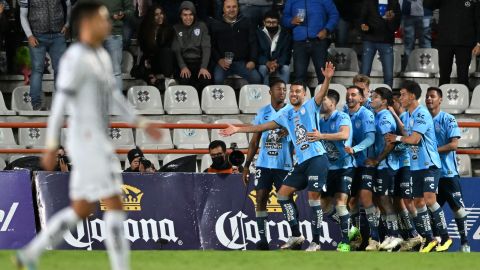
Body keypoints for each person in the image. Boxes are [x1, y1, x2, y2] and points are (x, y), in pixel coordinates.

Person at [13, 3, 162, 270]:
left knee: (82, 209)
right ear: (86, 24)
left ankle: (30, 254)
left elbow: (113, 98)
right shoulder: (75, 58)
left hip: (97, 141)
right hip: (86, 142)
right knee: (115, 203)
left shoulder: (101, 56)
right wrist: (50, 144)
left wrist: (139, 122)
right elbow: (60, 102)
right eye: (102, 20)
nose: (107, 25)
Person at [221, 62, 335, 252]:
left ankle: (315, 241)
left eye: (298, 91)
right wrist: (238, 129)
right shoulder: (285, 113)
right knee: (282, 195)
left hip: (316, 158)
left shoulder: (311, 106)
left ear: (304, 95)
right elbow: (261, 128)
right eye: (292, 92)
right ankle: (297, 235)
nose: (293, 94)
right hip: (301, 162)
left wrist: (328, 79)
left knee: (313, 199)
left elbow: (321, 93)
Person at [385, 80, 451, 252]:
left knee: (429, 200)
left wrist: (396, 138)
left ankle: (445, 237)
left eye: (403, 94)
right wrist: (395, 117)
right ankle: (429, 238)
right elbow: (406, 132)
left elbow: (413, 139)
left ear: (412, 96)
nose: (400, 98)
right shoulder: (407, 115)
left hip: (429, 164)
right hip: (415, 166)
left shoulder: (421, 114)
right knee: (418, 201)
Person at [242, 78, 293, 250]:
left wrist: (291, 131)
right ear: (270, 92)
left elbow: (303, 135)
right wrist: (246, 165)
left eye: (284, 89)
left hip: (284, 164)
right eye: (279, 89)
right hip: (263, 164)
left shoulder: (292, 112)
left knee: (286, 200)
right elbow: (254, 141)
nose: (282, 92)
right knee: (261, 198)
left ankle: (295, 236)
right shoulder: (262, 112)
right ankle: (262, 239)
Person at [425, 86, 470, 252]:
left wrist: (431, 151)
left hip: (447, 172)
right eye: (427, 96)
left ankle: (464, 242)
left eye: (432, 96)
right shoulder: (423, 120)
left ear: (440, 99)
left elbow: (453, 144)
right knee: (430, 209)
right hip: (429, 172)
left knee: (457, 208)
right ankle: (438, 241)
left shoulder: (448, 119)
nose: (429, 99)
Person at [309, 89, 354, 252]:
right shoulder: (320, 121)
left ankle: (346, 242)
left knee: (341, 204)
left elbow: (344, 135)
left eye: (324, 99)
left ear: (333, 103)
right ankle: (348, 226)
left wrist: (322, 136)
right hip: (327, 169)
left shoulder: (342, 117)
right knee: (323, 207)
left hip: (344, 168)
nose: (321, 102)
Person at [365, 87, 403, 251]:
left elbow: (390, 142)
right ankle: (390, 234)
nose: (371, 99)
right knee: (381, 201)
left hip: (386, 166)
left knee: (386, 201)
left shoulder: (385, 117)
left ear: (385, 101)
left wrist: (376, 160)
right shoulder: (378, 115)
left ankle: (396, 235)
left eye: (375, 97)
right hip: (380, 165)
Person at [19, 0, 70, 110]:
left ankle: (61, 104)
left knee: (61, 69)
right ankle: (36, 105)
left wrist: (67, 24)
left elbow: (70, 5)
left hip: (58, 35)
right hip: (37, 36)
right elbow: (22, 15)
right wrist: (29, 35)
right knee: (37, 70)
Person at [390, 90, 422, 251]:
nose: (395, 105)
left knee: (408, 200)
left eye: (395, 102)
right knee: (396, 201)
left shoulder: (405, 118)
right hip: (396, 164)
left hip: (406, 163)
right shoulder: (397, 117)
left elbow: (409, 139)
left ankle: (421, 233)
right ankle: (410, 234)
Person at [424, 0, 480, 87]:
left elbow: (478, 20)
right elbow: (427, 5)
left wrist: (478, 43)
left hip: (465, 43)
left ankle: (464, 99)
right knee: (444, 76)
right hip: (445, 42)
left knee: (463, 76)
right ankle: (441, 100)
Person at [282, 0, 339, 83]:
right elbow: (284, 18)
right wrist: (291, 21)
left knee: (323, 77)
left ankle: (323, 96)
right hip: (299, 42)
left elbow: (334, 15)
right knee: (299, 77)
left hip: (319, 41)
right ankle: (300, 96)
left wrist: (327, 30)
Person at [210, 0, 261, 85]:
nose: (231, 9)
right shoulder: (215, 24)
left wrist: (252, 60)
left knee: (256, 78)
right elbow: (211, 45)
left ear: (238, 8)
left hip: (242, 62)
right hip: (224, 63)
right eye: (228, 7)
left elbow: (253, 43)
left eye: (234, 6)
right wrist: (219, 60)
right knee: (218, 79)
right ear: (223, 8)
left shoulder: (247, 22)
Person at [359, 0, 401, 88]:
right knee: (365, 72)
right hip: (369, 39)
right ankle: (361, 95)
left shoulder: (394, 3)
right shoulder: (368, 2)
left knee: (388, 74)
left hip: (386, 40)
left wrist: (391, 19)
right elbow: (362, 18)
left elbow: (396, 25)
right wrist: (363, 26)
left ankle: (387, 96)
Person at [172, 1, 211, 92]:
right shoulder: (176, 28)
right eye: (185, 15)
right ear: (180, 15)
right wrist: (183, 66)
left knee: (205, 81)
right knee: (184, 81)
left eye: (191, 14)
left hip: (199, 62)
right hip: (184, 62)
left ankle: (203, 104)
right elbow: (176, 49)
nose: (188, 18)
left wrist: (204, 67)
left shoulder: (202, 26)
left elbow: (206, 47)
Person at [138, 4, 175, 90]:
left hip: (164, 60)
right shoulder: (145, 29)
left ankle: (167, 79)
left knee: (166, 51)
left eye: (161, 13)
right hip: (150, 61)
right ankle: (155, 78)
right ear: (151, 17)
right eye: (156, 15)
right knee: (146, 68)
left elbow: (167, 47)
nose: (159, 16)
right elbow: (144, 50)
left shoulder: (168, 29)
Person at [99, 0, 134, 92]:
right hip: (96, 34)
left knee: (115, 71)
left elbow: (130, 10)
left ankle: (116, 102)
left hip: (114, 34)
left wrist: (123, 14)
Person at [256, 10, 292, 85]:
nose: (271, 25)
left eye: (274, 22)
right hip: (264, 63)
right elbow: (256, 52)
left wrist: (277, 64)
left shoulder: (285, 34)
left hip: (279, 63)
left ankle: (283, 93)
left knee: (286, 69)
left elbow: (286, 53)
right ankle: (265, 92)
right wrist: (267, 63)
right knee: (263, 68)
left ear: (278, 22)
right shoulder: (258, 33)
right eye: (268, 22)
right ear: (264, 22)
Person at [401, 0, 432, 70]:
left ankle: (426, 68)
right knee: (410, 45)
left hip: (424, 12)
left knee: (424, 43)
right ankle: (409, 69)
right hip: (409, 12)